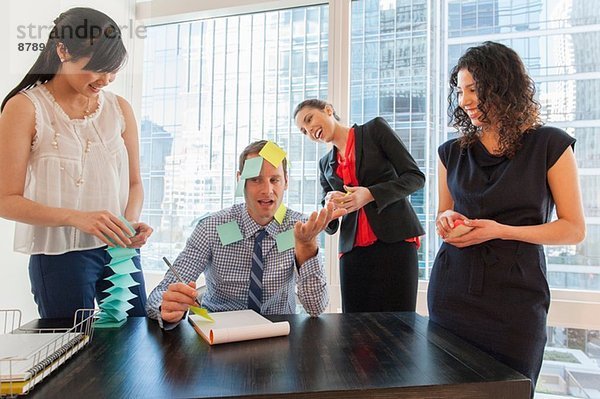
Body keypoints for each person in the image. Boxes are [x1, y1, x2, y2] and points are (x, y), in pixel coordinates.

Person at [428, 41, 585, 397]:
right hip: (453, 292)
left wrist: (501, 231)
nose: (465, 100)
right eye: (460, 91)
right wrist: (446, 220)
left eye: (474, 89)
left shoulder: (550, 145)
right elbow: (443, 213)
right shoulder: (451, 152)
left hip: (515, 301)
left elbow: (573, 229)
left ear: (502, 86)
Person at [0, 8, 153, 319]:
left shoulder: (119, 109)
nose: (106, 80)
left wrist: (128, 224)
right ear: (62, 50)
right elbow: (5, 200)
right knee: (71, 352)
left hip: (120, 251)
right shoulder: (25, 108)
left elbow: (135, 184)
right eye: (98, 68)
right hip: (59, 256)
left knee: (136, 341)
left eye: (113, 70)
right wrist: (76, 217)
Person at [147, 140, 346, 329]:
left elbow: (316, 308)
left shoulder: (301, 228)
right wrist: (167, 307)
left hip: (278, 332)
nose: (267, 190)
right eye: (255, 179)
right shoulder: (212, 227)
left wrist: (307, 246)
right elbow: (158, 296)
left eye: (274, 179)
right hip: (218, 332)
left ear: (286, 182)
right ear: (240, 180)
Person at [294, 100, 425, 313]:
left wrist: (371, 194)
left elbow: (415, 177)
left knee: (400, 323)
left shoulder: (374, 130)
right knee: (354, 327)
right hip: (352, 251)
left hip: (395, 241)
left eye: (309, 120)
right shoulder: (325, 164)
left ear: (328, 109)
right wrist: (329, 206)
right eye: (303, 131)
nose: (309, 131)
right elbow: (331, 226)